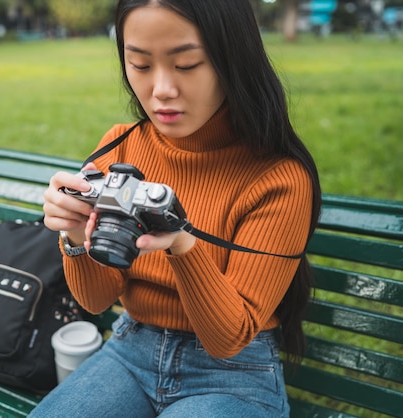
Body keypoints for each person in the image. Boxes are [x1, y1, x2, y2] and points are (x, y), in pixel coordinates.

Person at [33, 0, 322, 416]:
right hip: (130, 350)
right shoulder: (121, 146)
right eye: (140, 65)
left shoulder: (278, 178)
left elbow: (228, 338)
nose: (161, 90)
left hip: (232, 374)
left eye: (186, 65)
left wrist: (182, 245)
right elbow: (96, 300)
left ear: (232, 59)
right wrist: (76, 235)